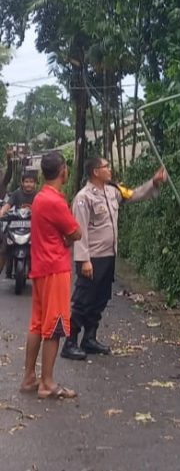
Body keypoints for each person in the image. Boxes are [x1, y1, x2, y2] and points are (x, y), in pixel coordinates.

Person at [61, 156, 168, 360]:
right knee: (83, 300)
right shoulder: (84, 198)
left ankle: (90, 338)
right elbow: (79, 230)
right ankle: (70, 341)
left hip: (108, 256)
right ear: (95, 172)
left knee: (101, 298)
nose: (110, 169)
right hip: (92, 258)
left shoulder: (112, 191)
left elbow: (134, 195)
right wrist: (84, 260)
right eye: (106, 166)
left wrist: (153, 182)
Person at [20, 150, 81, 400]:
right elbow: (75, 232)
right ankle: (47, 383)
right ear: (63, 170)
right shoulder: (55, 201)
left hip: (41, 268)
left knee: (37, 324)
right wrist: (67, 238)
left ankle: (29, 377)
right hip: (56, 268)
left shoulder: (39, 198)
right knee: (54, 326)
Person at [0, 169, 38, 276]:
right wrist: (2, 212)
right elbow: (7, 205)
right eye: (26, 181)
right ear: (22, 182)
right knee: (3, 247)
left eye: (31, 182)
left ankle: (38, 271)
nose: (28, 184)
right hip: (15, 225)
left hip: (32, 227)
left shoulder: (38, 195)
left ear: (35, 183)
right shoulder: (16, 194)